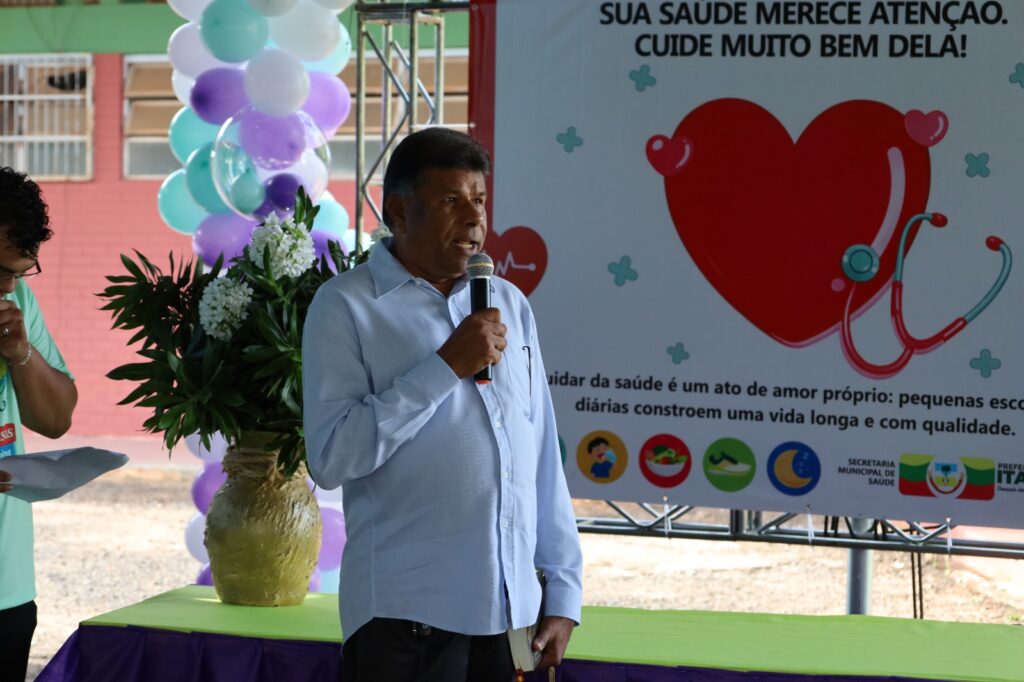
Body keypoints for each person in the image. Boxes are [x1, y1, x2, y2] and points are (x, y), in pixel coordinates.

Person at [303, 127, 582, 681]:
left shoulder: (508, 302)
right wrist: (445, 366)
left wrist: (562, 591)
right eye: (451, 200)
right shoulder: (347, 306)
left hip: (512, 616)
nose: (475, 218)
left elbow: (539, 454)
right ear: (400, 212)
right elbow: (332, 458)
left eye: (479, 199)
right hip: (405, 617)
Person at [0, 167, 78, 680]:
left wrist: (20, 354)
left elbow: (55, 419)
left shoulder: (18, 302)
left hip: (8, 588)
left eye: (21, 271)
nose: (9, 285)